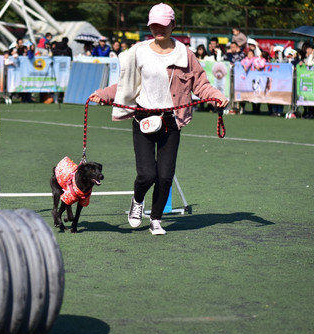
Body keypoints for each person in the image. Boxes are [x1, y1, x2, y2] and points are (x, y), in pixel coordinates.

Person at [88, 3, 228, 235]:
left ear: (173, 24)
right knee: (147, 174)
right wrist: (104, 94)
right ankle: (137, 200)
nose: (158, 29)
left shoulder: (185, 54)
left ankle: (155, 219)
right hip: (143, 117)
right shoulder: (138, 52)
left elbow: (201, 84)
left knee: (165, 176)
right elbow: (125, 85)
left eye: (163, 25)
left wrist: (217, 97)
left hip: (171, 121)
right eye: (153, 24)